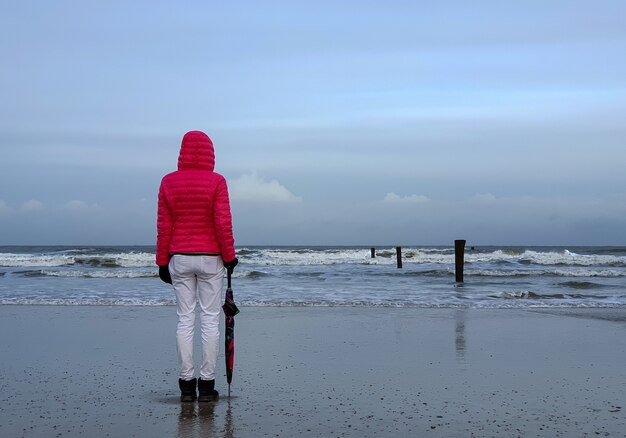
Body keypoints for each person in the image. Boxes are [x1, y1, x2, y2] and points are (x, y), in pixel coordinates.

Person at [156, 130, 238, 402]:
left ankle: (186, 386)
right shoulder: (217, 182)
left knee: (185, 319)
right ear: (210, 153)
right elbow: (222, 223)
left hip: (179, 256)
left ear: (182, 152)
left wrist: (161, 262)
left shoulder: (168, 182)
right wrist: (229, 256)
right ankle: (206, 385)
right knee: (210, 320)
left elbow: (164, 226)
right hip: (210, 257)